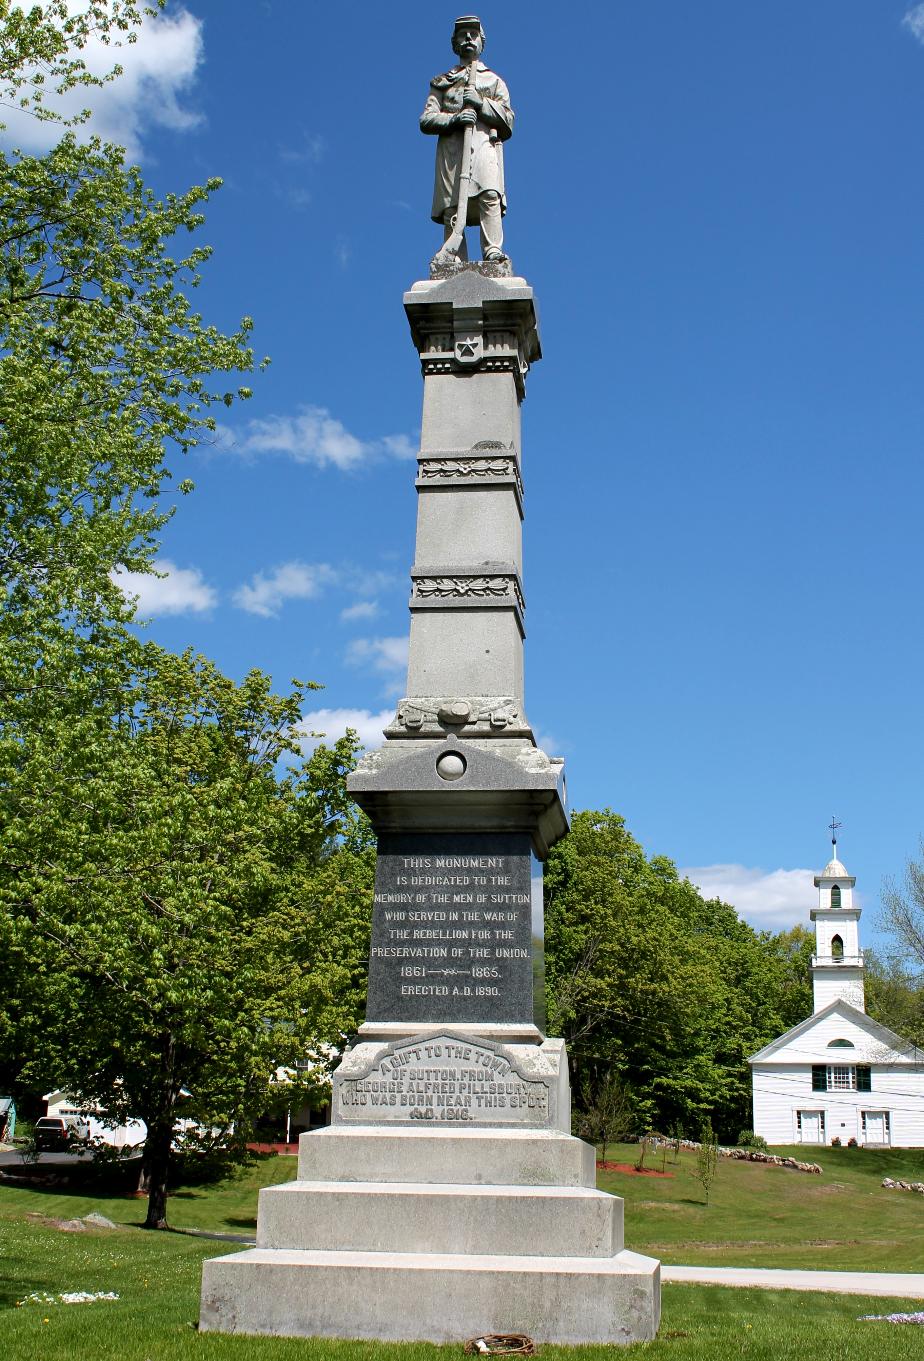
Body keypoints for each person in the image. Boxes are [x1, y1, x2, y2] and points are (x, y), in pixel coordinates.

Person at [420, 15, 513, 262]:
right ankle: (455, 256)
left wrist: (481, 103)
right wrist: (454, 119)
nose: (468, 38)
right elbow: (426, 119)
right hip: (452, 150)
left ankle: (492, 250)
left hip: (484, 143)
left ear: (482, 42)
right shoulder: (442, 83)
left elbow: (508, 120)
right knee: (452, 206)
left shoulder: (494, 81)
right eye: (463, 34)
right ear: (454, 43)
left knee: (489, 194)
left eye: (473, 34)